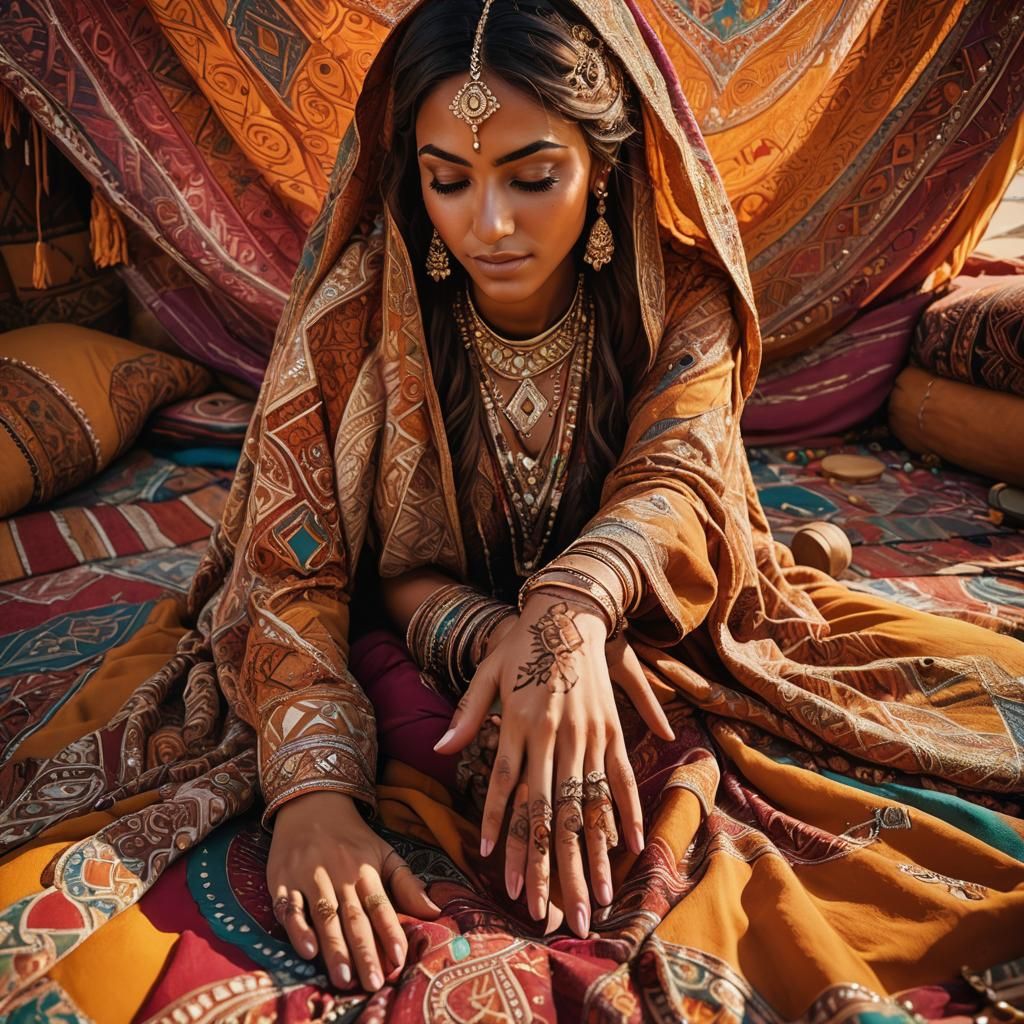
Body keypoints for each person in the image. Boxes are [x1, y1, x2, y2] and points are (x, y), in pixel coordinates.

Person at [3, 0, 1023, 1017]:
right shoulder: (357, 318)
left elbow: (676, 485)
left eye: (533, 178)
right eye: (448, 180)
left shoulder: (681, 302)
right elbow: (292, 568)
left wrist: (567, 612)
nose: (487, 225)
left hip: (635, 630)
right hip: (402, 634)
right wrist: (312, 794)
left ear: (604, 165)